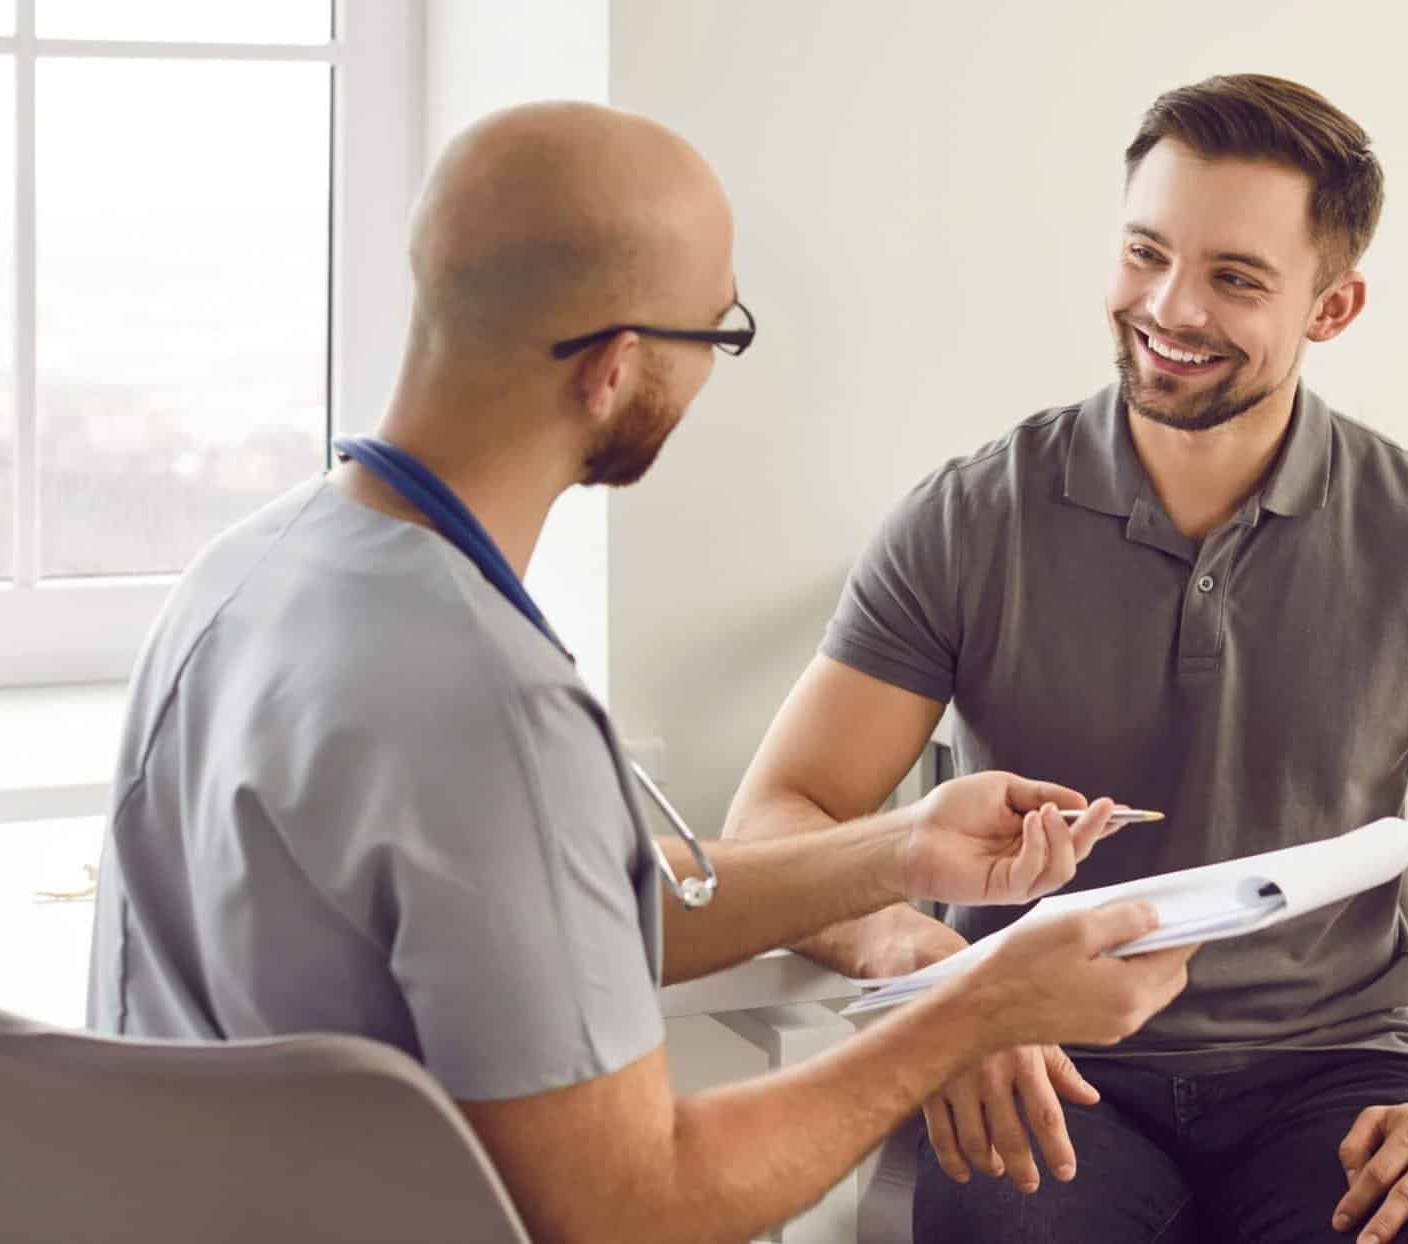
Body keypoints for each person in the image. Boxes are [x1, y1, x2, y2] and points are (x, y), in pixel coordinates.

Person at [84, 102, 1200, 1244]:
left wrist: (895, 851)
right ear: (615, 370)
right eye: (719, 334)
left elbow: (540, 909)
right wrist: (974, 1008)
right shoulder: (489, 706)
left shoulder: (246, 573)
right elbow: (632, 1207)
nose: (718, 367)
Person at [726, 74, 1408, 1244]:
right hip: (1039, 1047)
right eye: (1146, 252)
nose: (1169, 307)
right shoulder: (968, 518)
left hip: (1336, 1068)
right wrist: (941, 974)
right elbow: (776, 818)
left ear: (1332, 307)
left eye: (1234, 278)